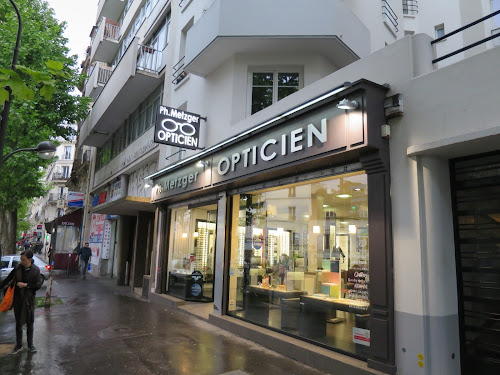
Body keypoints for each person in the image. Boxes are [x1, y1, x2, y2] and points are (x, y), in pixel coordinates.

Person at [0, 250, 43, 354]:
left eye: (23, 259)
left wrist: (26, 285)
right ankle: (18, 345)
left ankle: (30, 345)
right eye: (21, 259)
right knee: (19, 323)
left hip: (29, 301)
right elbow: (8, 279)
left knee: (29, 323)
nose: (21, 261)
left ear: (29, 259)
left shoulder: (35, 270)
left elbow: (38, 285)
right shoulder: (18, 268)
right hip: (18, 300)